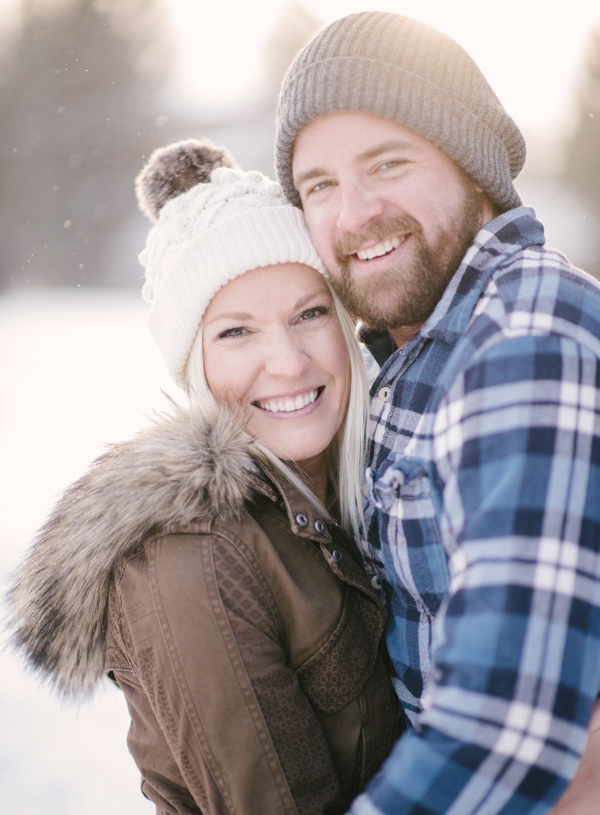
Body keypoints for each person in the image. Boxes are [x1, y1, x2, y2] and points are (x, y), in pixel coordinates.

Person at [7, 139, 401, 815]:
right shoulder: (191, 560)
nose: (286, 362)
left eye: (310, 313)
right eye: (236, 332)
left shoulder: (365, 485)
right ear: (195, 363)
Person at [275, 11, 600, 815]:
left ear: (475, 172)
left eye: (386, 164)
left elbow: (508, 729)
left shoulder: (525, 338)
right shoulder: (408, 352)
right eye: (320, 186)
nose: (352, 215)